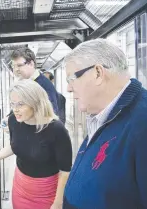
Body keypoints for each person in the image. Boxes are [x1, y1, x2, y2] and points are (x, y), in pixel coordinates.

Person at [63, 39, 147, 209]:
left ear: (98, 73)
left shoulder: (142, 122)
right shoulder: (105, 114)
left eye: (72, 79)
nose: (69, 89)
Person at [0, 79, 72, 209]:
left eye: (21, 104)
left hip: (47, 192)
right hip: (20, 187)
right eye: (13, 104)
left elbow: (65, 171)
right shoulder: (14, 120)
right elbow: (15, 145)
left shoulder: (56, 129)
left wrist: (57, 202)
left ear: (35, 103)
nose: (15, 110)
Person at [11, 48, 59, 114]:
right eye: (13, 66)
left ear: (31, 64)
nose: (16, 69)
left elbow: (50, 115)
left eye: (19, 65)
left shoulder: (43, 85)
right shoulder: (26, 84)